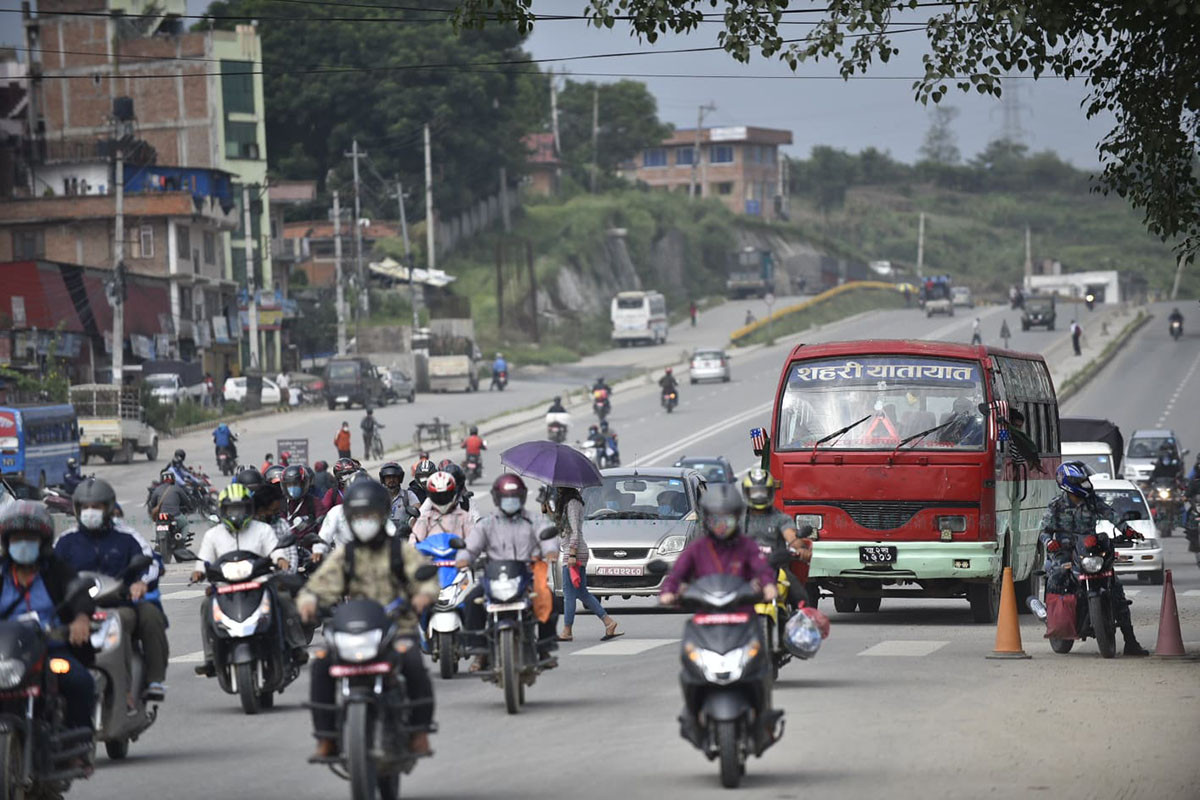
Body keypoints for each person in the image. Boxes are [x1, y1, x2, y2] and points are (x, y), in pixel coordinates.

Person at [298, 479, 438, 759]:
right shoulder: (344, 555)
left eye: (370, 515)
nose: (365, 522)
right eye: (358, 516)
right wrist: (308, 602)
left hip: (397, 628)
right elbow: (318, 586)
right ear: (349, 518)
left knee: (412, 661)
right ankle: (326, 738)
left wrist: (423, 595)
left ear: (382, 514)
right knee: (322, 665)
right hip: (352, 630)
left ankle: (419, 732)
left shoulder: (401, 551)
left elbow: (426, 579)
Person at [55, 478, 170, 699]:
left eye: (96, 507)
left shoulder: (127, 537)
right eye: (85, 507)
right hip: (76, 609)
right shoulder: (66, 541)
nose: (90, 512)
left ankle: (149, 681)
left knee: (151, 616)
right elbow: (49, 571)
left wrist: (141, 583)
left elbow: (151, 562)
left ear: (107, 508)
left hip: (120, 604)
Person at [0, 501, 95, 731]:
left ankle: (79, 741)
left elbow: (79, 593)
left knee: (80, 681)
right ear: (7, 542)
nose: (23, 544)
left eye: (30, 538)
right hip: (8, 655)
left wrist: (81, 619)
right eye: (17, 538)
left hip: (50, 651)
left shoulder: (56, 570)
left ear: (42, 542)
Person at [190, 484, 300, 676]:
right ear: (223, 510)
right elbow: (204, 559)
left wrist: (280, 559)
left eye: (240, 508)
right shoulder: (212, 535)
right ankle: (210, 658)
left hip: (260, 581)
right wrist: (198, 572)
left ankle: (296, 646)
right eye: (232, 509)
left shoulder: (262, 529)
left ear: (249, 509)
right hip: (225, 585)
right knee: (206, 605)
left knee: (283, 597)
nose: (236, 514)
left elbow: (275, 550)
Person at [1041, 462, 1148, 656]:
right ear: (1068, 483)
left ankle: (1131, 642)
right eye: (1080, 481)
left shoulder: (1092, 500)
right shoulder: (1056, 505)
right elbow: (1044, 531)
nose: (1086, 484)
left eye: (1085, 480)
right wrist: (1049, 542)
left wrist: (1128, 530)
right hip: (1064, 552)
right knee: (1057, 577)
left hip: (1089, 549)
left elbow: (1112, 515)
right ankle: (1054, 618)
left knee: (1116, 589)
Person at [456, 474, 558, 672]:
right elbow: (471, 546)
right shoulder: (487, 523)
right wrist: (463, 558)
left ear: (522, 497)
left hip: (525, 575)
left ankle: (544, 648)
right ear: (497, 498)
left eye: (514, 496)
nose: (510, 501)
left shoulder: (534, 520)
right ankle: (479, 652)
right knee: (470, 602)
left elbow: (547, 538)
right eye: (505, 497)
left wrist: (551, 551)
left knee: (551, 600)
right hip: (494, 576)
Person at [549, 486, 620, 641]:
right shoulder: (567, 503)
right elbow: (561, 528)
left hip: (574, 552)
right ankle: (609, 622)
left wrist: (572, 554)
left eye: (558, 487)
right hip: (573, 550)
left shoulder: (573, 503)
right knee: (582, 593)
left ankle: (567, 631)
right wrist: (548, 510)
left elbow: (574, 531)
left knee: (568, 594)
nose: (556, 490)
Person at [740, 469, 814, 607]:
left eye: (763, 492)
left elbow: (791, 536)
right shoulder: (739, 518)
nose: (759, 496)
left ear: (770, 492)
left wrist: (800, 549)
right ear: (746, 493)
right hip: (745, 568)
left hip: (776, 568)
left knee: (801, 599)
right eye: (755, 492)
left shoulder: (780, 518)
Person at [410, 470, 473, 543]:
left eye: (445, 495)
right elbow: (414, 541)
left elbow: (472, 541)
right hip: (431, 554)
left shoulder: (463, 517)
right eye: (438, 496)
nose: (442, 499)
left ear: (453, 494)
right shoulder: (426, 518)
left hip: (458, 554)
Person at [380, 461, 420, 529]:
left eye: (394, 477)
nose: (392, 480)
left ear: (400, 478)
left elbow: (418, 509)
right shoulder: (378, 496)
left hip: (404, 534)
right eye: (388, 477)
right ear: (383, 479)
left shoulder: (408, 495)